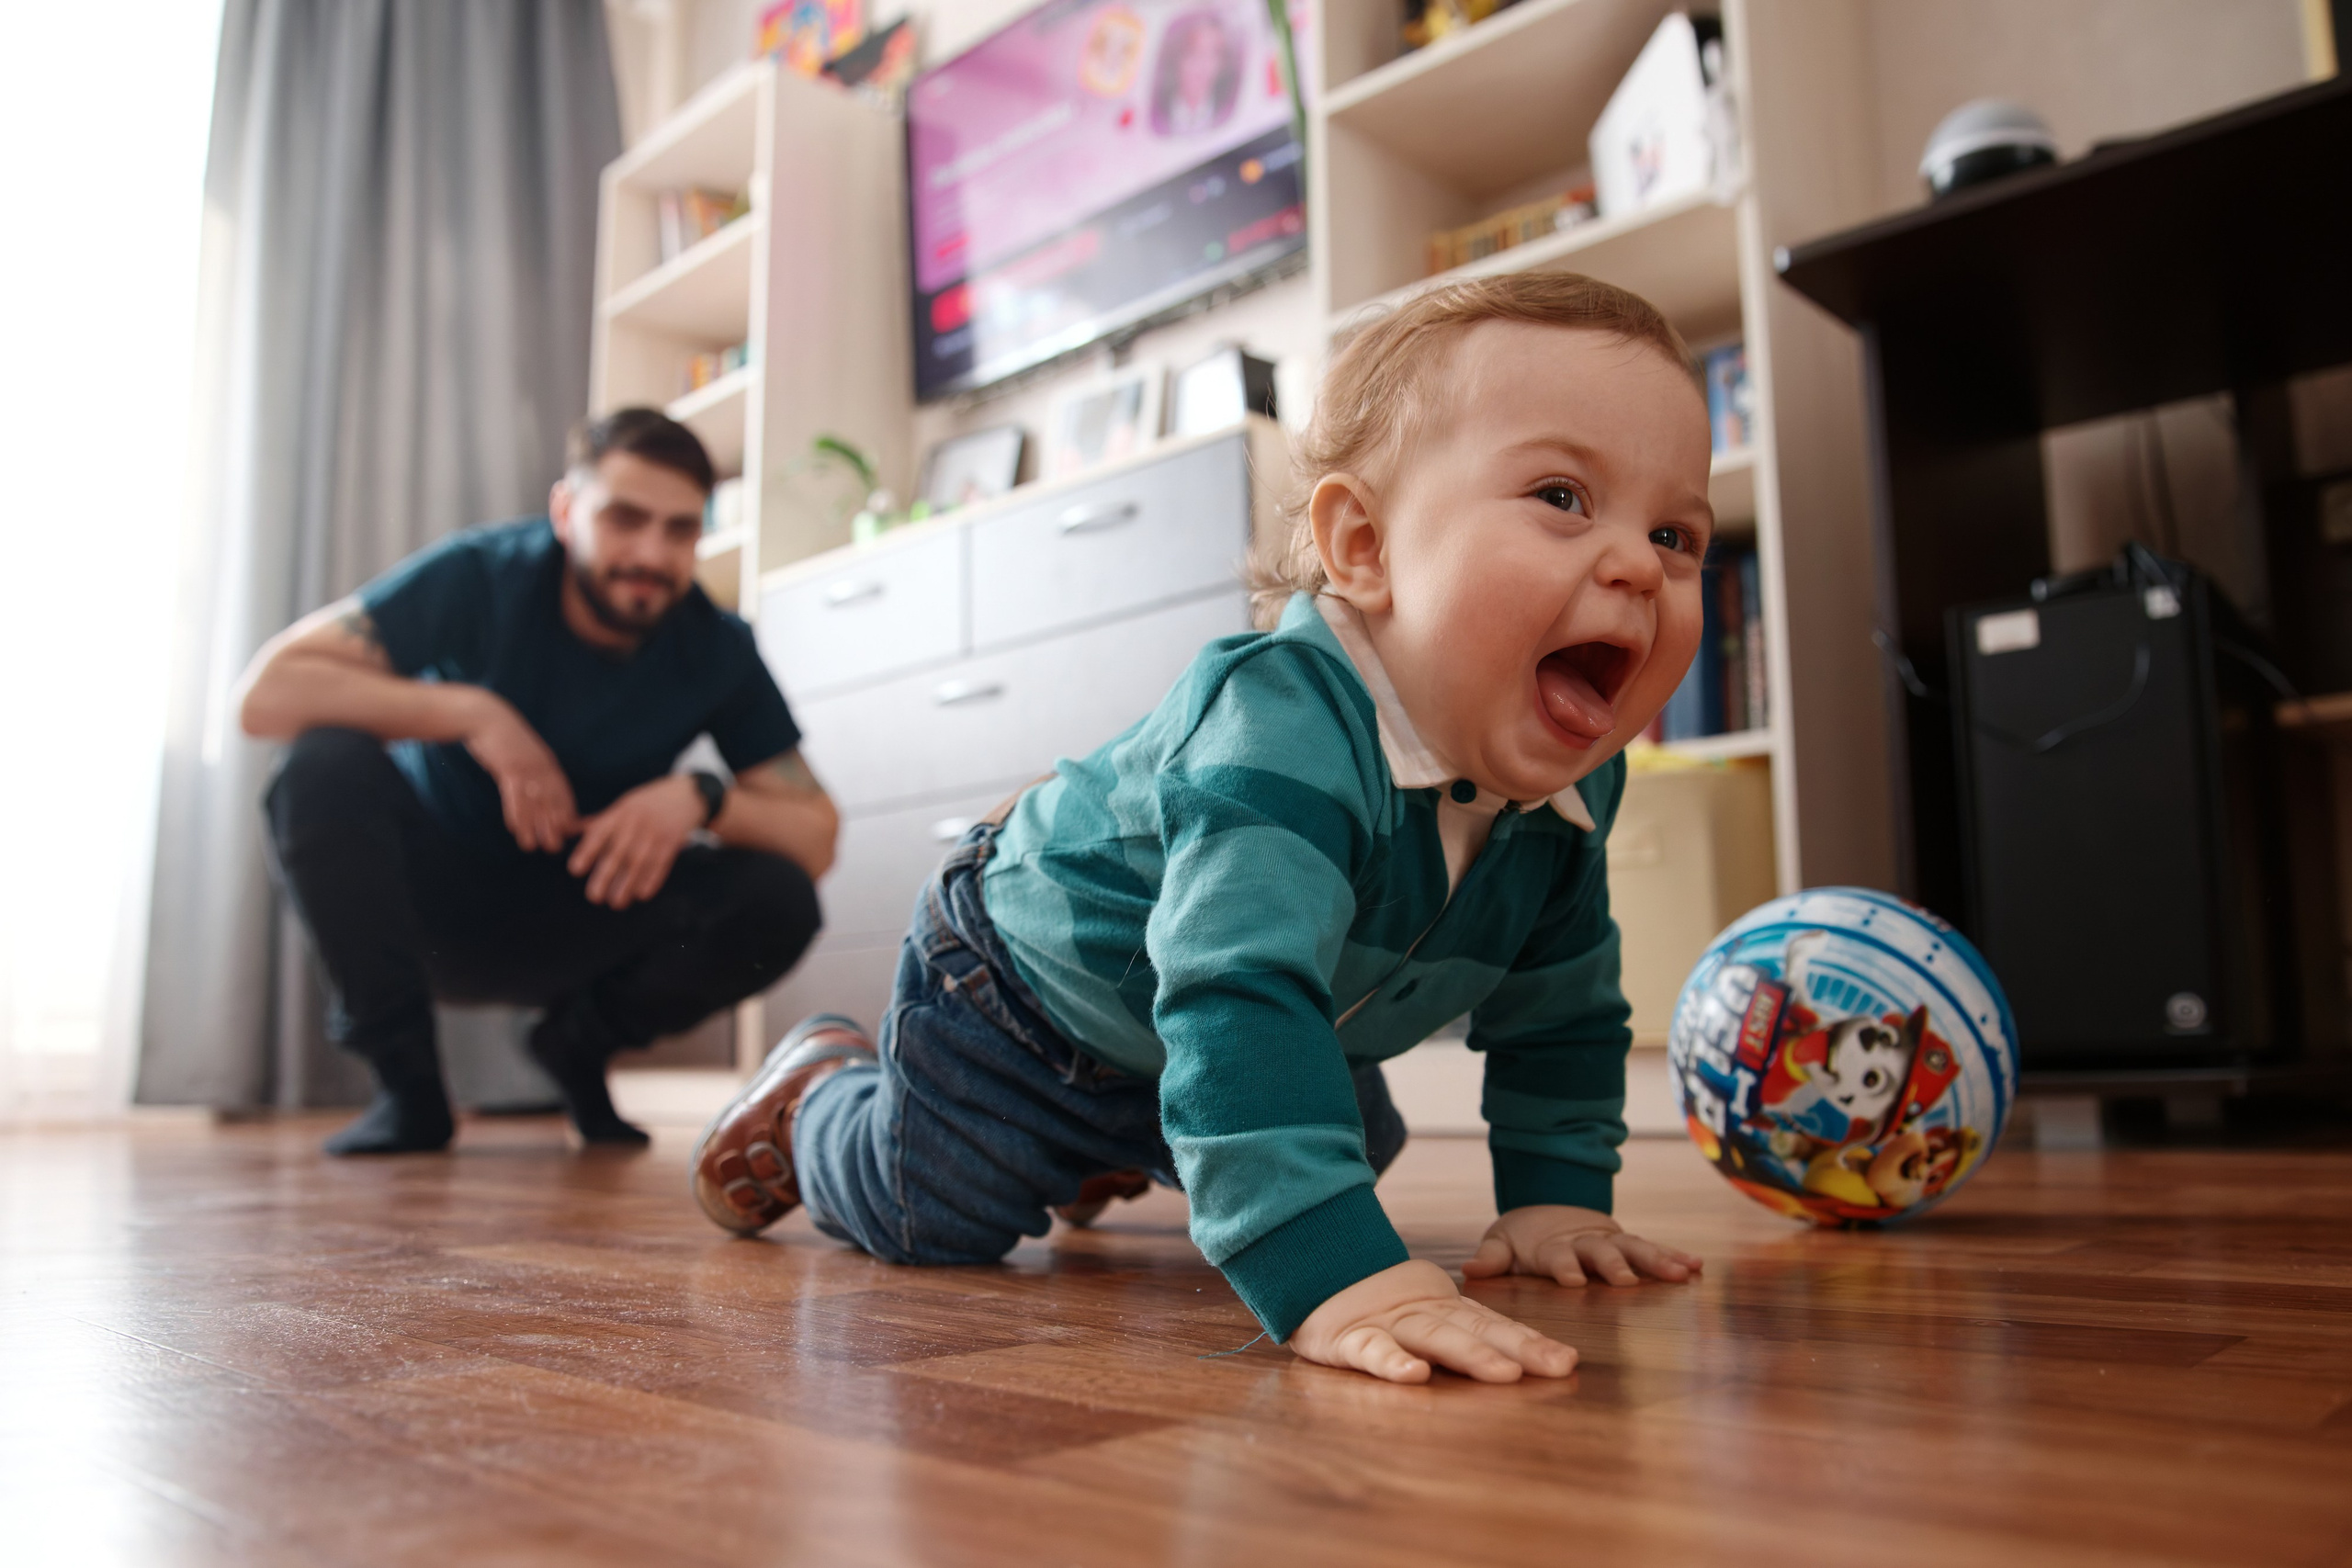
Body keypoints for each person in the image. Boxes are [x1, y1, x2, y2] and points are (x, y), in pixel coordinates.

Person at [691, 271, 1708, 1385]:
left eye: (1674, 534)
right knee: (932, 1213)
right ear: (1363, 549)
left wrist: (1558, 1198)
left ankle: (1101, 1151)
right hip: (1024, 988)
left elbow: (1561, 1012)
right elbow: (1237, 988)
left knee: (1349, 1145)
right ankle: (822, 1099)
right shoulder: (1284, 721)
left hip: (1210, 1014)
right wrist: (1330, 1273)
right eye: (1561, 497)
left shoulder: (1572, 795)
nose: (1634, 567)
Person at [238, 409, 836, 1156]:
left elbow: (816, 835)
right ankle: (409, 1089)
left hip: (587, 904)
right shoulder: (481, 575)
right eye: (625, 518)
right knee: (322, 763)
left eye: (681, 530)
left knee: (779, 897)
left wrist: (701, 797)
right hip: (432, 903)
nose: (652, 553)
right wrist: (472, 712)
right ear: (565, 510)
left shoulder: (715, 645)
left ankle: (577, 1045)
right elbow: (264, 696)